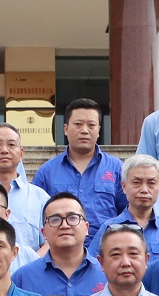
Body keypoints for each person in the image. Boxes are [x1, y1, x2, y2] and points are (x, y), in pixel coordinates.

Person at [34, 98, 125, 232]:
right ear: (65, 129)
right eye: (78, 124)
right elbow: (36, 216)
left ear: (99, 130)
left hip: (105, 243)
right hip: (61, 242)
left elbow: (127, 213)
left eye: (91, 125)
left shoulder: (117, 168)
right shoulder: (46, 172)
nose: (84, 130)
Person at [15, 191, 106, 296]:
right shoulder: (23, 278)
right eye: (55, 220)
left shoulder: (107, 274)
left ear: (86, 228)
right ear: (44, 233)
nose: (64, 225)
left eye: (73, 218)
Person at [89, 153, 159, 259]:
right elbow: (94, 265)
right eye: (137, 182)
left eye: (151, 183)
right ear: (124, 186)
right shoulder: (108, 229)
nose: (144, 190)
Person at [0, 123, 49, 235]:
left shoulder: (40, 198)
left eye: (11, 145)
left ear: (21, 154)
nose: (4, 150)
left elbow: (49, 240)